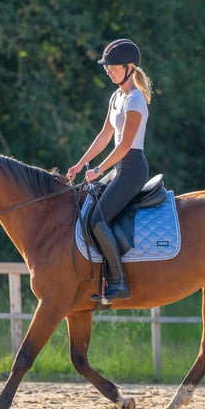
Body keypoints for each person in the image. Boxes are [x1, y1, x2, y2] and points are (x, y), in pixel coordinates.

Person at [67, 38, 153, 301]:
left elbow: (126, 144)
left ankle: (118, 280)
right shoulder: (117, 97)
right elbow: (105, 135)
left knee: (97, 220)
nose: (108, 70)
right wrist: (81, 163)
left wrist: (99, 169)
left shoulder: (135, 100)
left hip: (132, 169)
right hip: (119, 167)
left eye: (112, 66)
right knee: (86, 210)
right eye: (107, 67)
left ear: (129, 67)